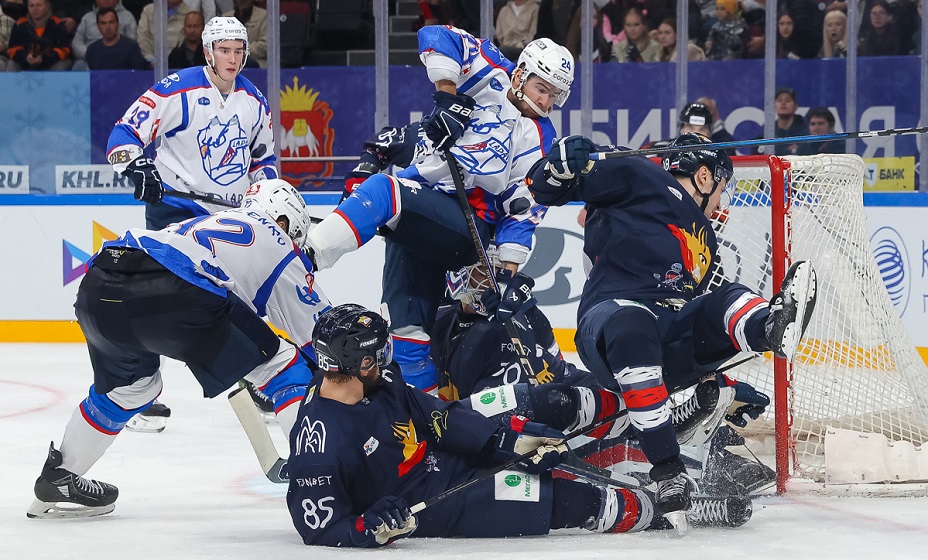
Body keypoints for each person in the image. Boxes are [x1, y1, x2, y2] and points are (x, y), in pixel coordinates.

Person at [524, 132, 817, 526]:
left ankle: (770, 327)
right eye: (722, 188)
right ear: (703, 177)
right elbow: (545, 188)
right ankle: (667, 469)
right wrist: (562, 162)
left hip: (665, 334)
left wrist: (725, 388)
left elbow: (702, 324)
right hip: (612, 320)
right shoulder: (638, 173)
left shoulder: (706, 242)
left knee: (726, 297)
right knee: (634, 324)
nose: (721, 202)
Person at [285, 304, 746, 547]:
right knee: (578, 501)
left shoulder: (381, 382)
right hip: (433, 500)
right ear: (360, 362)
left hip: (442, 456)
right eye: (379, 352)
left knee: (549, 410)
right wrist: (368, 528)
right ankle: (666, 511)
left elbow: (437, 417)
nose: (388, 356)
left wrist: (505, 440)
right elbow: (319, 528)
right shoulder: (319, 445)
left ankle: (645, 424)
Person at [27, 179, 332, 520]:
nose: (295, 245)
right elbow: (324, 334)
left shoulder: (200, 223)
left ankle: (59, 477)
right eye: (295, 236)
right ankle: (320, 477)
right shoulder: (278, 240)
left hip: (102, 281)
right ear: (284, 221)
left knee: (131, 389)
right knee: (284, 368)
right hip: (175, 291)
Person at [304, 26, 572, 395]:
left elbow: (522, 212)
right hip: (422, 215)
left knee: (384, 191)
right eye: (542, 88)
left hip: (465, 226)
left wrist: (505, 275)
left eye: (554, 95)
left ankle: (302, 260)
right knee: (407, 334)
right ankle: (432, 417)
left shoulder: (541, 138)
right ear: (521, 74)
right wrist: (448, 96)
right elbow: (437, 35)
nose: (546, 101)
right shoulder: (490, 70)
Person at [107, 15, 278, 230]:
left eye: (238, 51)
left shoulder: (256, 101)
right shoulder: (178, 89)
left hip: (230, 216)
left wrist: (268, 198)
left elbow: (262, 161)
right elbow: (125, 132)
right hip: (175, 209)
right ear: (207, 52)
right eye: (224, 51)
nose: (233, 59)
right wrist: (137, 167)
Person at [5, 0, 72, 71]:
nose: (35, 8)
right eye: (32, 6)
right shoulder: (20, 24)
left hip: (50, 65)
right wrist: (26, 57)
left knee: (63, 64)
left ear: (47, 6)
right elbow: (12, 50)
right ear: (28, 7)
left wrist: (43, 58)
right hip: (26, 65)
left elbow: (64, 50)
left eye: (39, 5)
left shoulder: (57, 24)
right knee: (11, 63)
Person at [71, 0, 138, 69]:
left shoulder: (128, 17)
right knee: (79, 65)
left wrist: (111, 54)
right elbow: (77, 42)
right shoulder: (87, 18)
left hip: (119, 59)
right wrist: (91, 54)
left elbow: (132, 42)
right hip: (90, 58)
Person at [84, 7, 149, 70]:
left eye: (111, 22)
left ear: (118, 24)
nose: (108, 28)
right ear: (98, 26)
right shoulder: (92, 50)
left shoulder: (131, 47)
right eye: (103, 23)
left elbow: (138, 74)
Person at [222, 0, 266, 67]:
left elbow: (265, 45)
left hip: (257, 65)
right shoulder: (225, 18)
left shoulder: (264, 16)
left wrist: (242, 50)